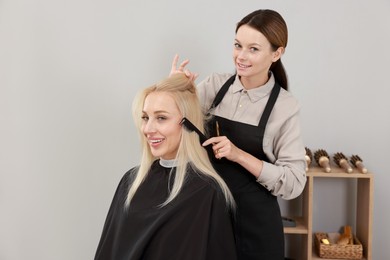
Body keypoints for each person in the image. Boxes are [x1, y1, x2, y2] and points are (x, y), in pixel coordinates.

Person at [170, 9, 307, 260]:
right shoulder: (213, 86)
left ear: (277, 53)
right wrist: (175, 91)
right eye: (237, 45)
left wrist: (238, 155)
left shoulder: (285, 107)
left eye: (253, 49)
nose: (241, 56)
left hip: (255, 230)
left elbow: (294, 183)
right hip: (207, 218)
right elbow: (172, 126)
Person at [94, 74, 237, 260]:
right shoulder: (131, 182)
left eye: (161, 118)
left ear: (188, 124)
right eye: (145, 117)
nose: (148, 128)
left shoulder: (206, 192)